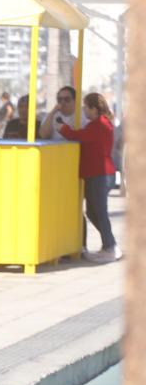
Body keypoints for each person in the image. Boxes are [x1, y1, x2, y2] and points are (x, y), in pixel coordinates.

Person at [59, 93, 119, 262]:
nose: (84, 110)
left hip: (99, 174)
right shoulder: (100, 123)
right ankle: (110, 244)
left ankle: (110, 247)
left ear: (94, 109)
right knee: (93, 212)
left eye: (86, 107)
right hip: (98, 173)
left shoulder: (98, 125)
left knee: (99, 212)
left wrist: (62, 128)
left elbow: (77, 136)